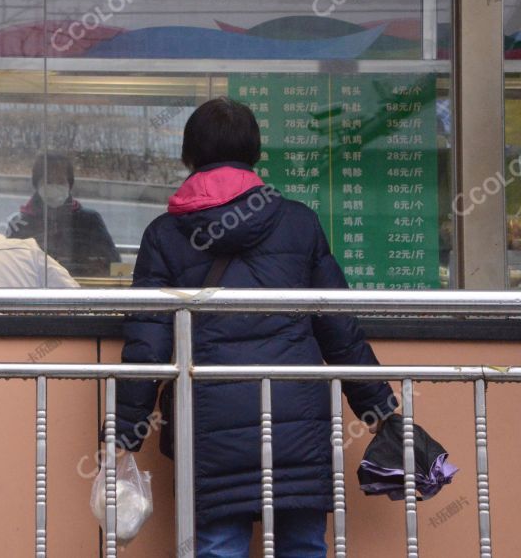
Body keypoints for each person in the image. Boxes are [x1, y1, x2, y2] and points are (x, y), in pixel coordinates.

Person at [112, 98, 397, 558]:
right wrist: (380, 408)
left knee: (218, 546)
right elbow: (338, 327)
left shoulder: (164, 236)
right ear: (255, 153)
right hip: (296, 414)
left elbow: (148, 344)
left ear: (189, 155)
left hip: (209, 417)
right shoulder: (298, 223)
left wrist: (124, 433)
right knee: (302, 544)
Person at [6, 154, 120, 277]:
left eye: (60, 180)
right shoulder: (20, 224)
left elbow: (116, 267)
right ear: (37, 184)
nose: (54, 186)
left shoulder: (90, 221)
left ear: (69, 185)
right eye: (48, 181)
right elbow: (8, 269)